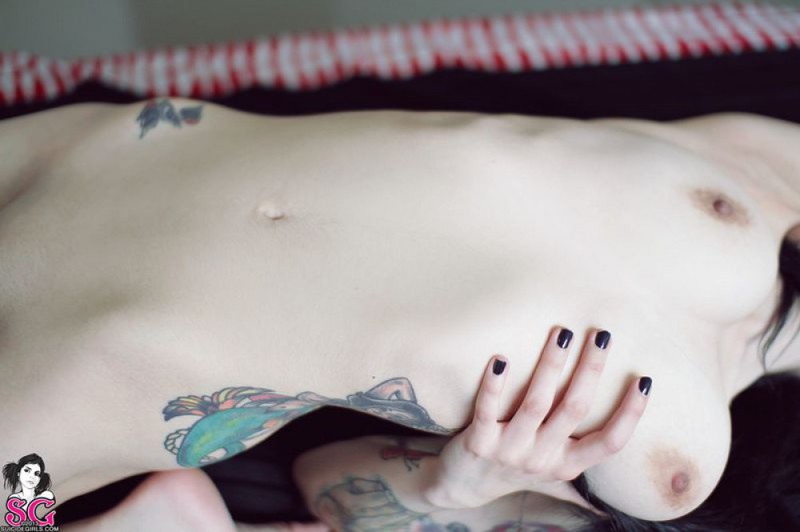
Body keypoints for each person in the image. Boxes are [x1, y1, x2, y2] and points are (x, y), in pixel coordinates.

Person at [1, 99, 799, 527]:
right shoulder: (776, 172)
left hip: (92, 379)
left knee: (19, 504)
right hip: (109, 149)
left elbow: (327, 489)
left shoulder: (682, 476)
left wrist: (460, 485)